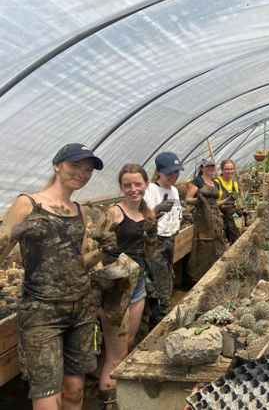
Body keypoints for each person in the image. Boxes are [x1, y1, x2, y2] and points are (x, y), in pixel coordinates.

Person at [0, 143, 103, 410]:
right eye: (75, 166)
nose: (82, 173)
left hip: (81, 309)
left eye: (88, 169)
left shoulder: (78, 209)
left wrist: (106, 252)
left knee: (75, 391)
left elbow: (78, 262)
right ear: (58, 165)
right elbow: (2, 249)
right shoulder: (28, 203)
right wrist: (17, 232)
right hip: (42, 312)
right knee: (47, 395)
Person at [98, 164, 157, 409]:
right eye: (127, 185)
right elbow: (95, 249)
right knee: (115, 353)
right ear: (121, 187)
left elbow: (149, 247)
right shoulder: (114, 212)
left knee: (128, 342)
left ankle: (116, 395)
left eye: (137, 184)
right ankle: (109, 400)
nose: (133, 189)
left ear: (145, 184)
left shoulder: (147, 212)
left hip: (138, 282)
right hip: (117, 287)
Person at [143, 152, 183, 327]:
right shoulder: (150, 190)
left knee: (167, 277)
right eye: (169, 173)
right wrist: (158, 209)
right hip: (155, 242)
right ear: (159, 172)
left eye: (176, 173)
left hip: (170, 239)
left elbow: (177, 213)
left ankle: (162, 316)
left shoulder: (174, 190)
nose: (173, 177)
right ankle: (157, 322)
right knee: (159, 285)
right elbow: (144, 221)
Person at [213, 159, 241, 244]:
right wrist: (225, 201)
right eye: (227, 169)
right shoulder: (217, 182)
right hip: (219, 212)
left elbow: (237, 200)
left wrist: (239, 206)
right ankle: (231, 241)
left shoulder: (235, 184)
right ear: (222, 170)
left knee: (237, 222)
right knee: (230, 220)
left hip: (232, 212)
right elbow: (212, 203)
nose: (229, 171)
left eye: (231, 169)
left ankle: (235, 239)